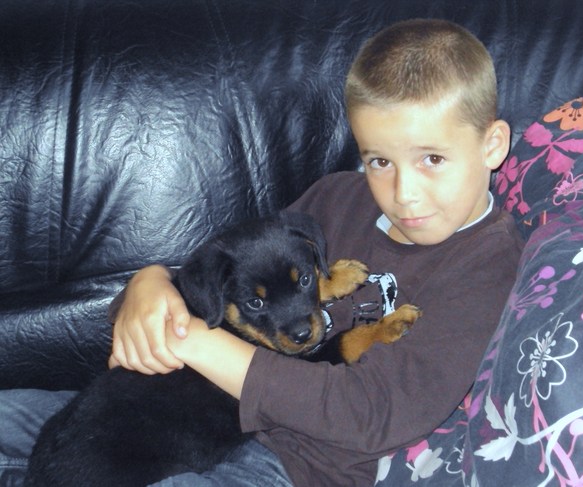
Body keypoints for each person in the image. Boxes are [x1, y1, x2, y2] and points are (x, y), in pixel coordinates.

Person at [0, 18, 523, 487]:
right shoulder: (337, 198)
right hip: (164, 416)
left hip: (295, 464)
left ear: (493, 145)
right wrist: (148, 283)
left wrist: (193, 342)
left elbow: (372, 414)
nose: (403, 193)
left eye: (432, 158)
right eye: (379, 161)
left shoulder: (488, 267)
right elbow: (236, 271)